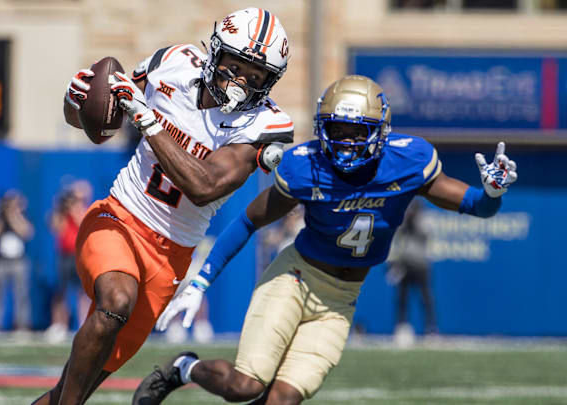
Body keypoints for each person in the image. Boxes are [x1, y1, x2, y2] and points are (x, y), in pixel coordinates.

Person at [134, 75, 518, 405]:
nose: (347, 141)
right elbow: (249, 220)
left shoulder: (409, 161)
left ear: (380, 132)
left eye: (357, 132)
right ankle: (184, 367)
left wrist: (492, 195)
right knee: (244, 386)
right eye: (337, 130)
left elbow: (475, 206)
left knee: (282, 399)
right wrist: (201, 281)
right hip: (296, 278)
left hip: (341, 301)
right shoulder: (305, 165)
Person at [32, 7, 294, 405]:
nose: (241, 82)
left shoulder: (265, 124)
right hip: (118, 218)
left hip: (170, 257)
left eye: (256, 77)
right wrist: (76, 100)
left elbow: (205, 186)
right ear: (215, 53)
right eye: (235, 67)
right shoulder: (172, 63)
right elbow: (99, 124)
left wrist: (148, 120)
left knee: (70, 391)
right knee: (115, 302)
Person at [45, 180, 93, 343]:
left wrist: (75, 209)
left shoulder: (84, 209)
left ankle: (82, 324)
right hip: (64, 255)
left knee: (82, 293)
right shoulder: (61, 213)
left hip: (79, 254)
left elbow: (83, 224)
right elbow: (56, 228)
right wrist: (60, 209)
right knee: (61, 292)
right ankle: (59, 324)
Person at [386, 198, 438, 340]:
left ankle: (431, 328)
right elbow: (397, 239)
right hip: (405, 265)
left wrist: (414, 221)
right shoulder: (403, 222)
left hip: (420, 265)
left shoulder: (425, 221)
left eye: (413, 209)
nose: (411, 212)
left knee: (426, 298)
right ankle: (401, 327)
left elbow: (424, 234)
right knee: (402, 298)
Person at [0, 189, 34, 332]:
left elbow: (26, 233)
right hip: (0, 260)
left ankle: (22, 324)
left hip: (19, 261)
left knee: (21, 294)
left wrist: (13, 214)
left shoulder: (23, 216)